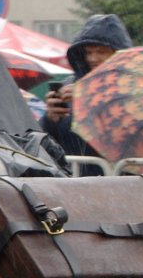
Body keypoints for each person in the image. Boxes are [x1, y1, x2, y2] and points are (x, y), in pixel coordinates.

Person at [42, 13, 133, 173]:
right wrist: (50, 120)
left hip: (117, 179)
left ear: (118, 53)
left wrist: (88, 96)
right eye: (88, 52)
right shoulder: (72, 84)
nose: (93, 58)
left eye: (101, 51)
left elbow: (124, 130)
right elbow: (49, 139)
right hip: (73, 177)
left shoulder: (133, 86)